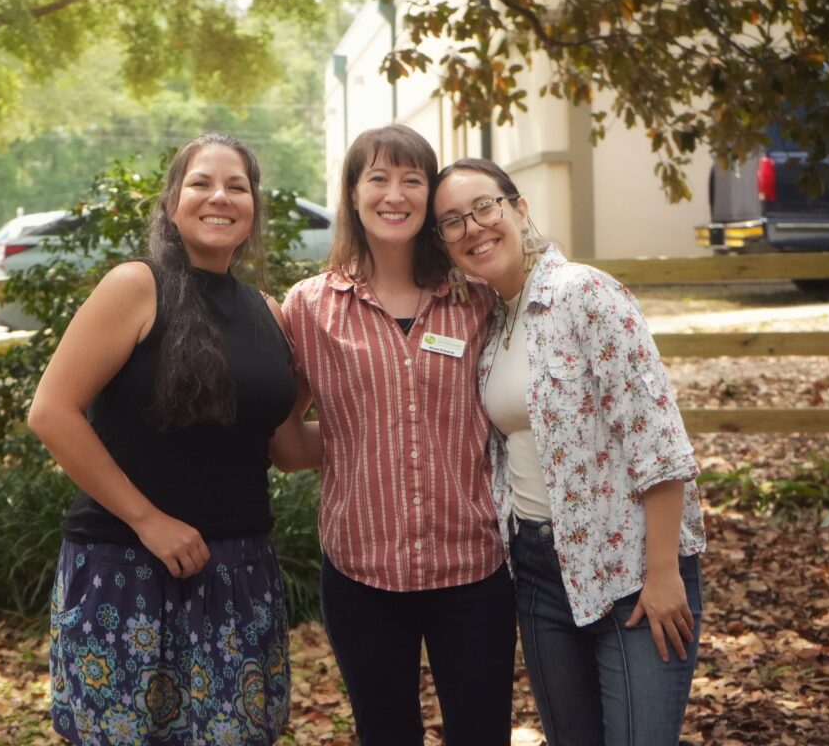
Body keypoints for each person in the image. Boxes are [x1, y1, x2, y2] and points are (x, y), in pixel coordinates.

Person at [29, 133, 317, 746]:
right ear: (171, 203)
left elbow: (290, 450)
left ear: (254, 208)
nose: (220, 197)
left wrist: (401, 428)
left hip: (239, 572)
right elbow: (52, 412)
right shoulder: (136, 286)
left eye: (237, 186)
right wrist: (149, 521)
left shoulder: (268, 311)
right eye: (201, 183)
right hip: (126, 567)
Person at [432, 157, 708, 746]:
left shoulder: (585, 294)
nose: (473, 227)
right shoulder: (491, 323)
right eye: (453, 221)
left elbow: (658, 438)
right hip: (538, 573)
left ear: (519, 209)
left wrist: (663, 572)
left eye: (484, 207)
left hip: (631, 565)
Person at [281, 125, 515, 746]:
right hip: (362, 573)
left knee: (482, 735)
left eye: (413, 180)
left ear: (430, 196)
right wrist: (351, 440)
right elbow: (285, 438)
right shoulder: (310, 308)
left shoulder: (477, 298)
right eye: (378, 178)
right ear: (352, 194)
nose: (395, 194)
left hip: (472, 567)